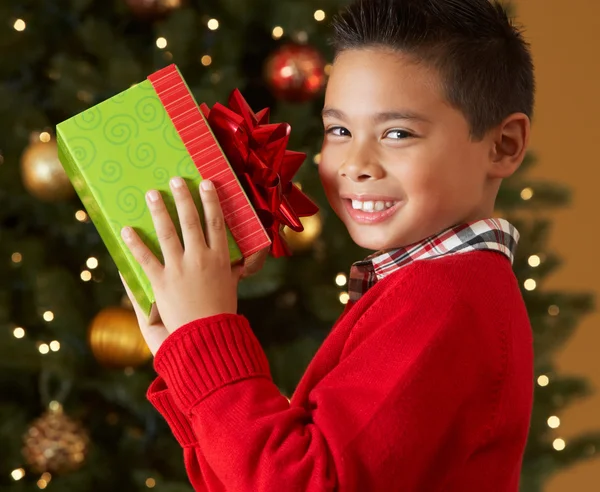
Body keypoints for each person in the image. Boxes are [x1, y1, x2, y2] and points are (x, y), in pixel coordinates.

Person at [120, 0, 535, 490]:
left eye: (397, 133)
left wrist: (207, 332)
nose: (354, 163)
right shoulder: (432, 288)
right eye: (339, 130)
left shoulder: (448, 297)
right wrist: (184, 350)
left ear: (502, 145)